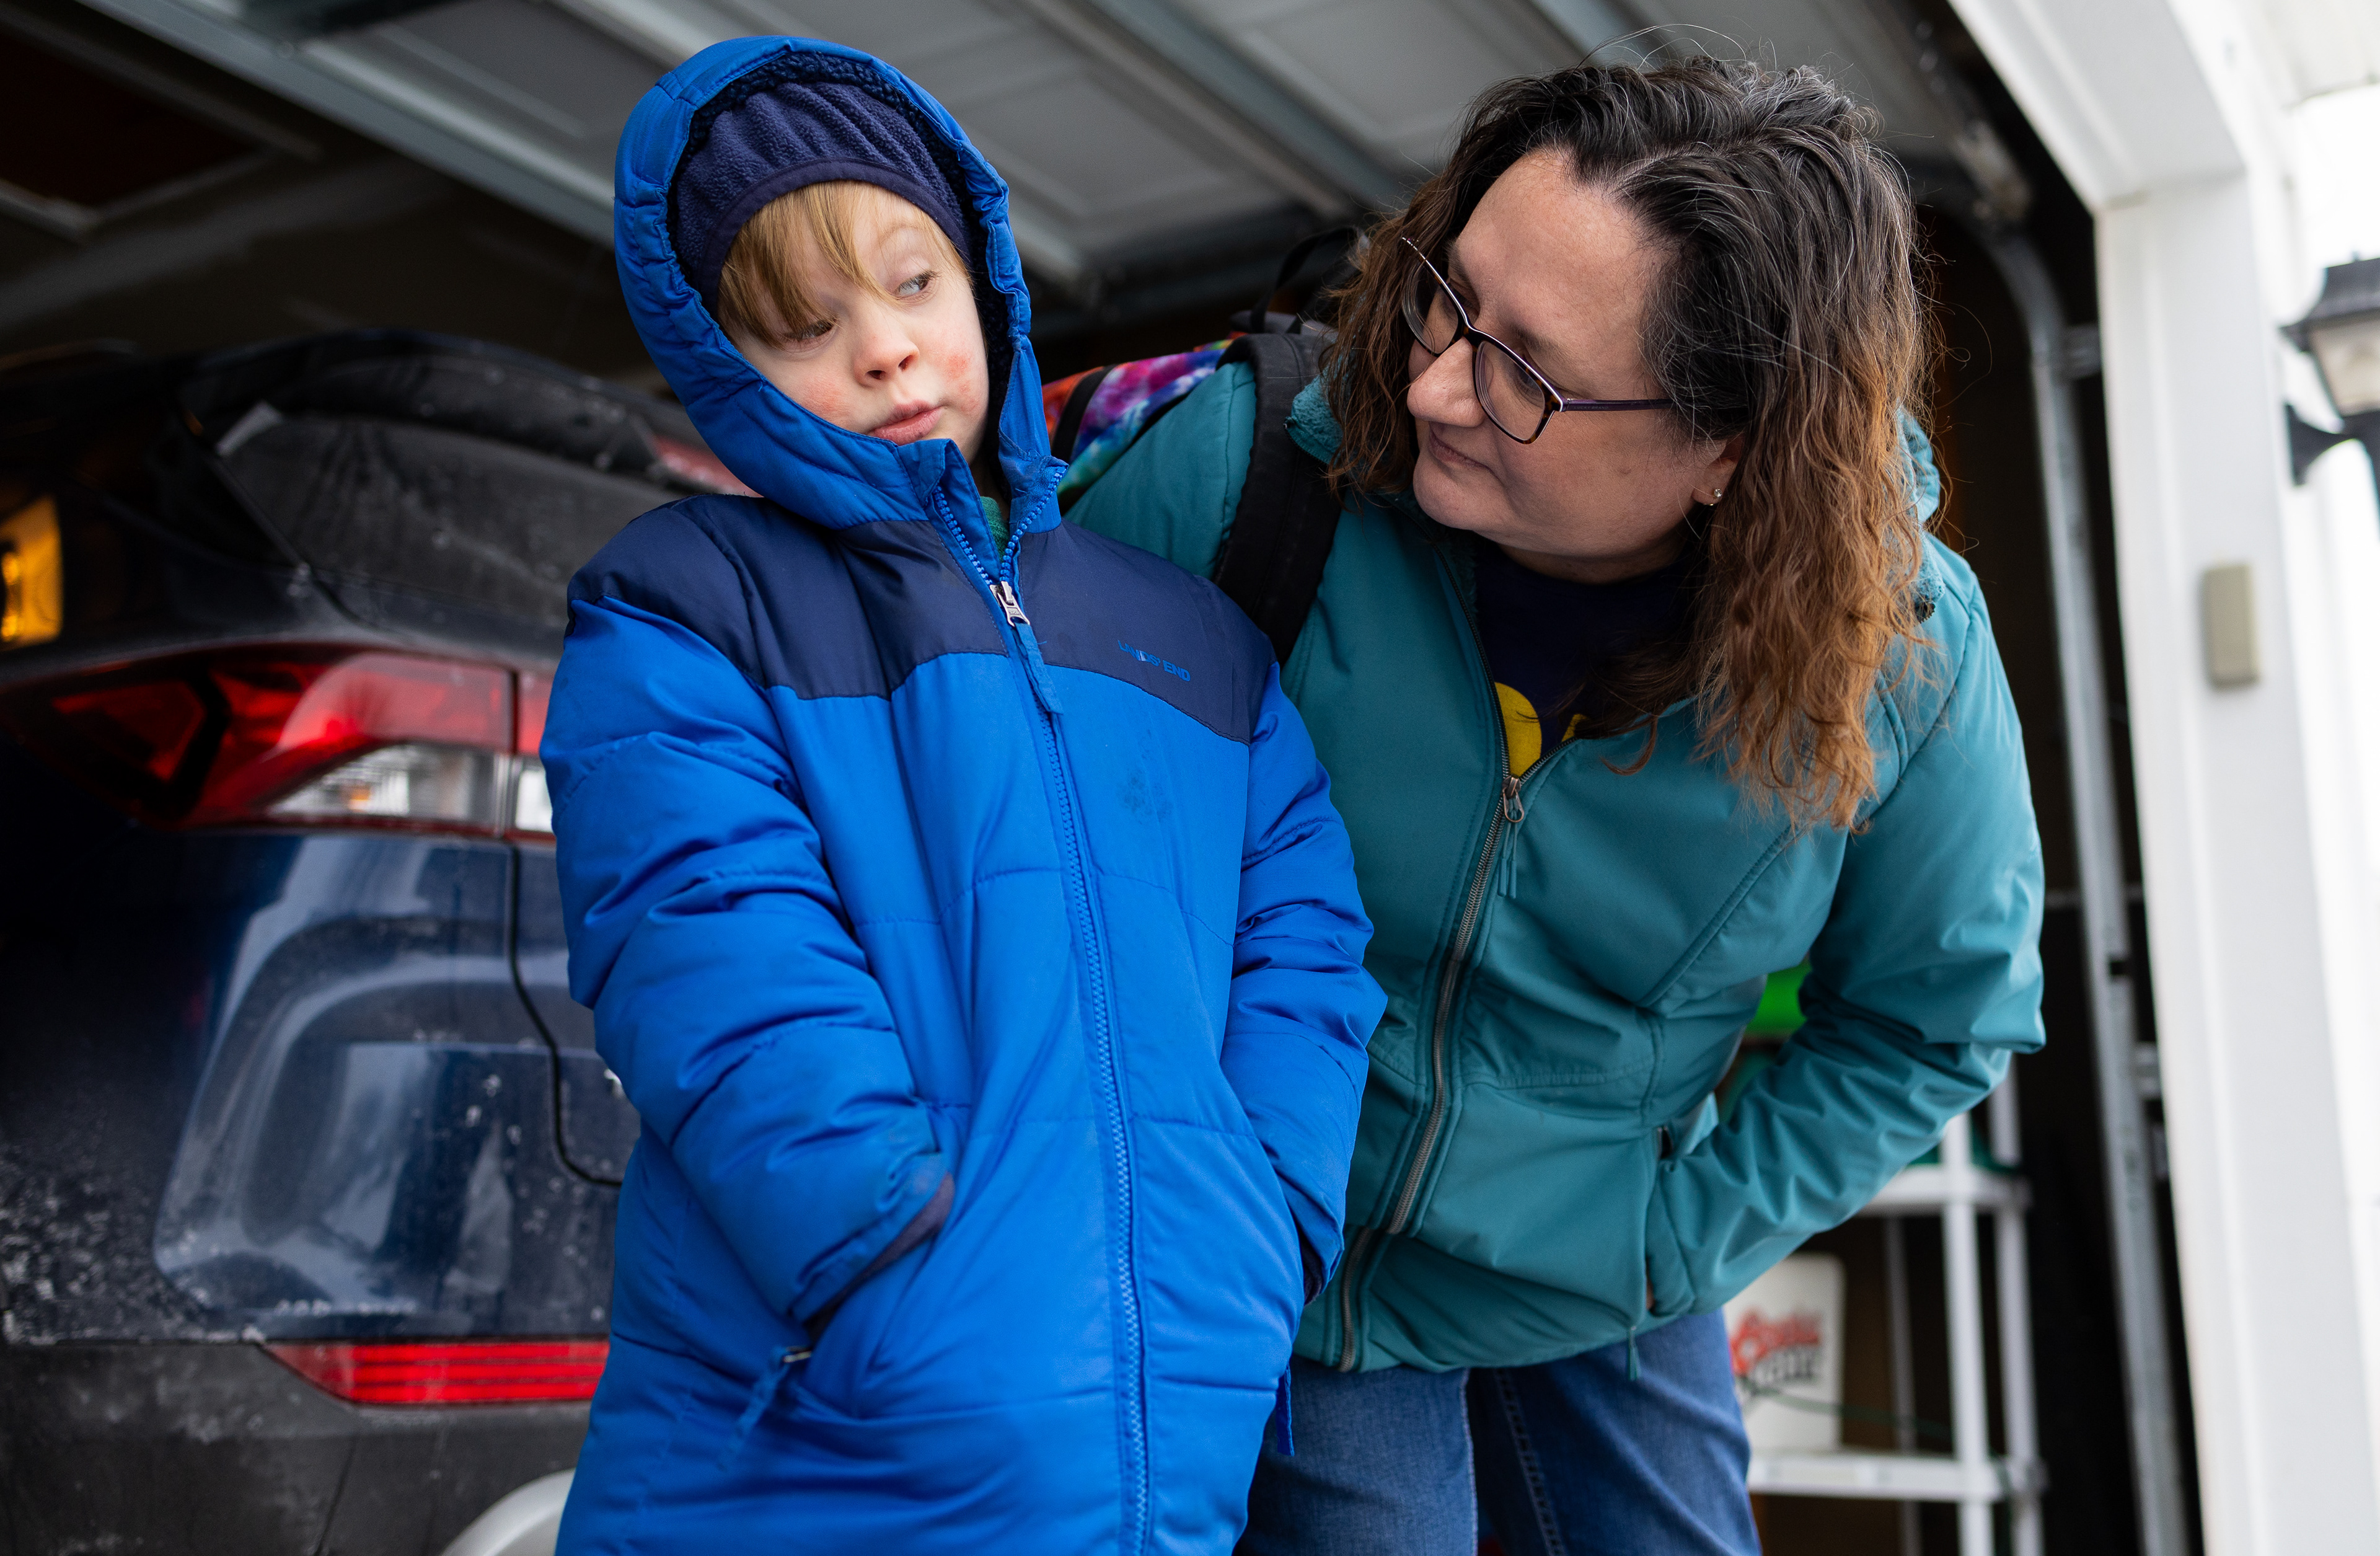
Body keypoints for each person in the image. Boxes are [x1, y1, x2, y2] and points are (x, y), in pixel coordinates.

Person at [1070, 58, 2045, 1555]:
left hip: (1599, 1251)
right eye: (1444, 299)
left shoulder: (1897, 656)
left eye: (1524, 371)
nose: (1428, 385)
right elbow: (1011, 827)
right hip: (1276, 1239)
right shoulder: (1239, 476)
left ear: (1734, 451)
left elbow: (1935, 1016)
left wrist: (1671, 1242)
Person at [546, 38, 1383, 1555]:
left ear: (985, 281)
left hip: (1170, 1405)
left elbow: (1312, 941)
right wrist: (877, 1244)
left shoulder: (1188, 634)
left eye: (913, 281)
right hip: (825, 1429)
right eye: (805, 325)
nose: (884, 349)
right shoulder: (684, 607)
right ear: (722, 367)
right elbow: (706, 940)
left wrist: (1262, 1213)